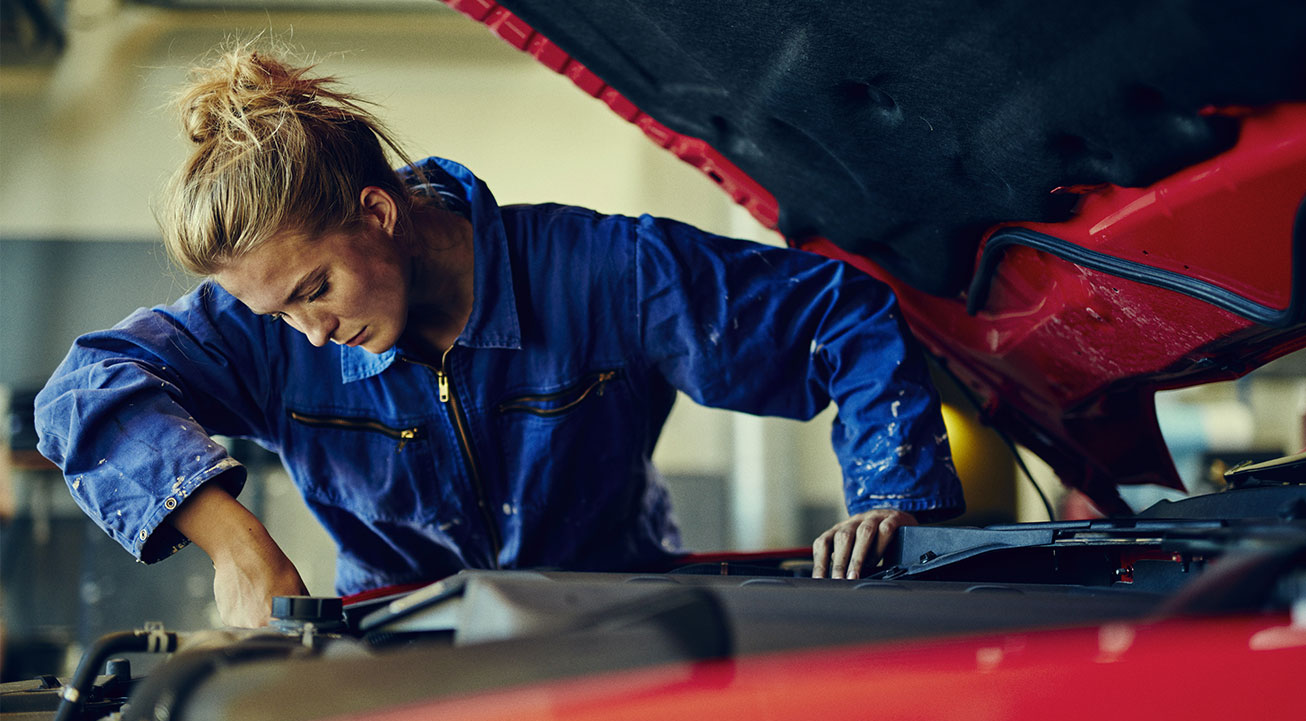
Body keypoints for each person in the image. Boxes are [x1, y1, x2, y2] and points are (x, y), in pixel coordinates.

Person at [35, 43, 963, 627]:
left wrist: (894, 495)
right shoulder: (264, 333)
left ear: (378, 212)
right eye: (277, 313)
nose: (309, 336)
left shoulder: (608, 273)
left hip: (619, 638)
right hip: (401, 660)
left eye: (315, 290)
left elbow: (839, 314)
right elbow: (84, 390)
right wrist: (239, 544)